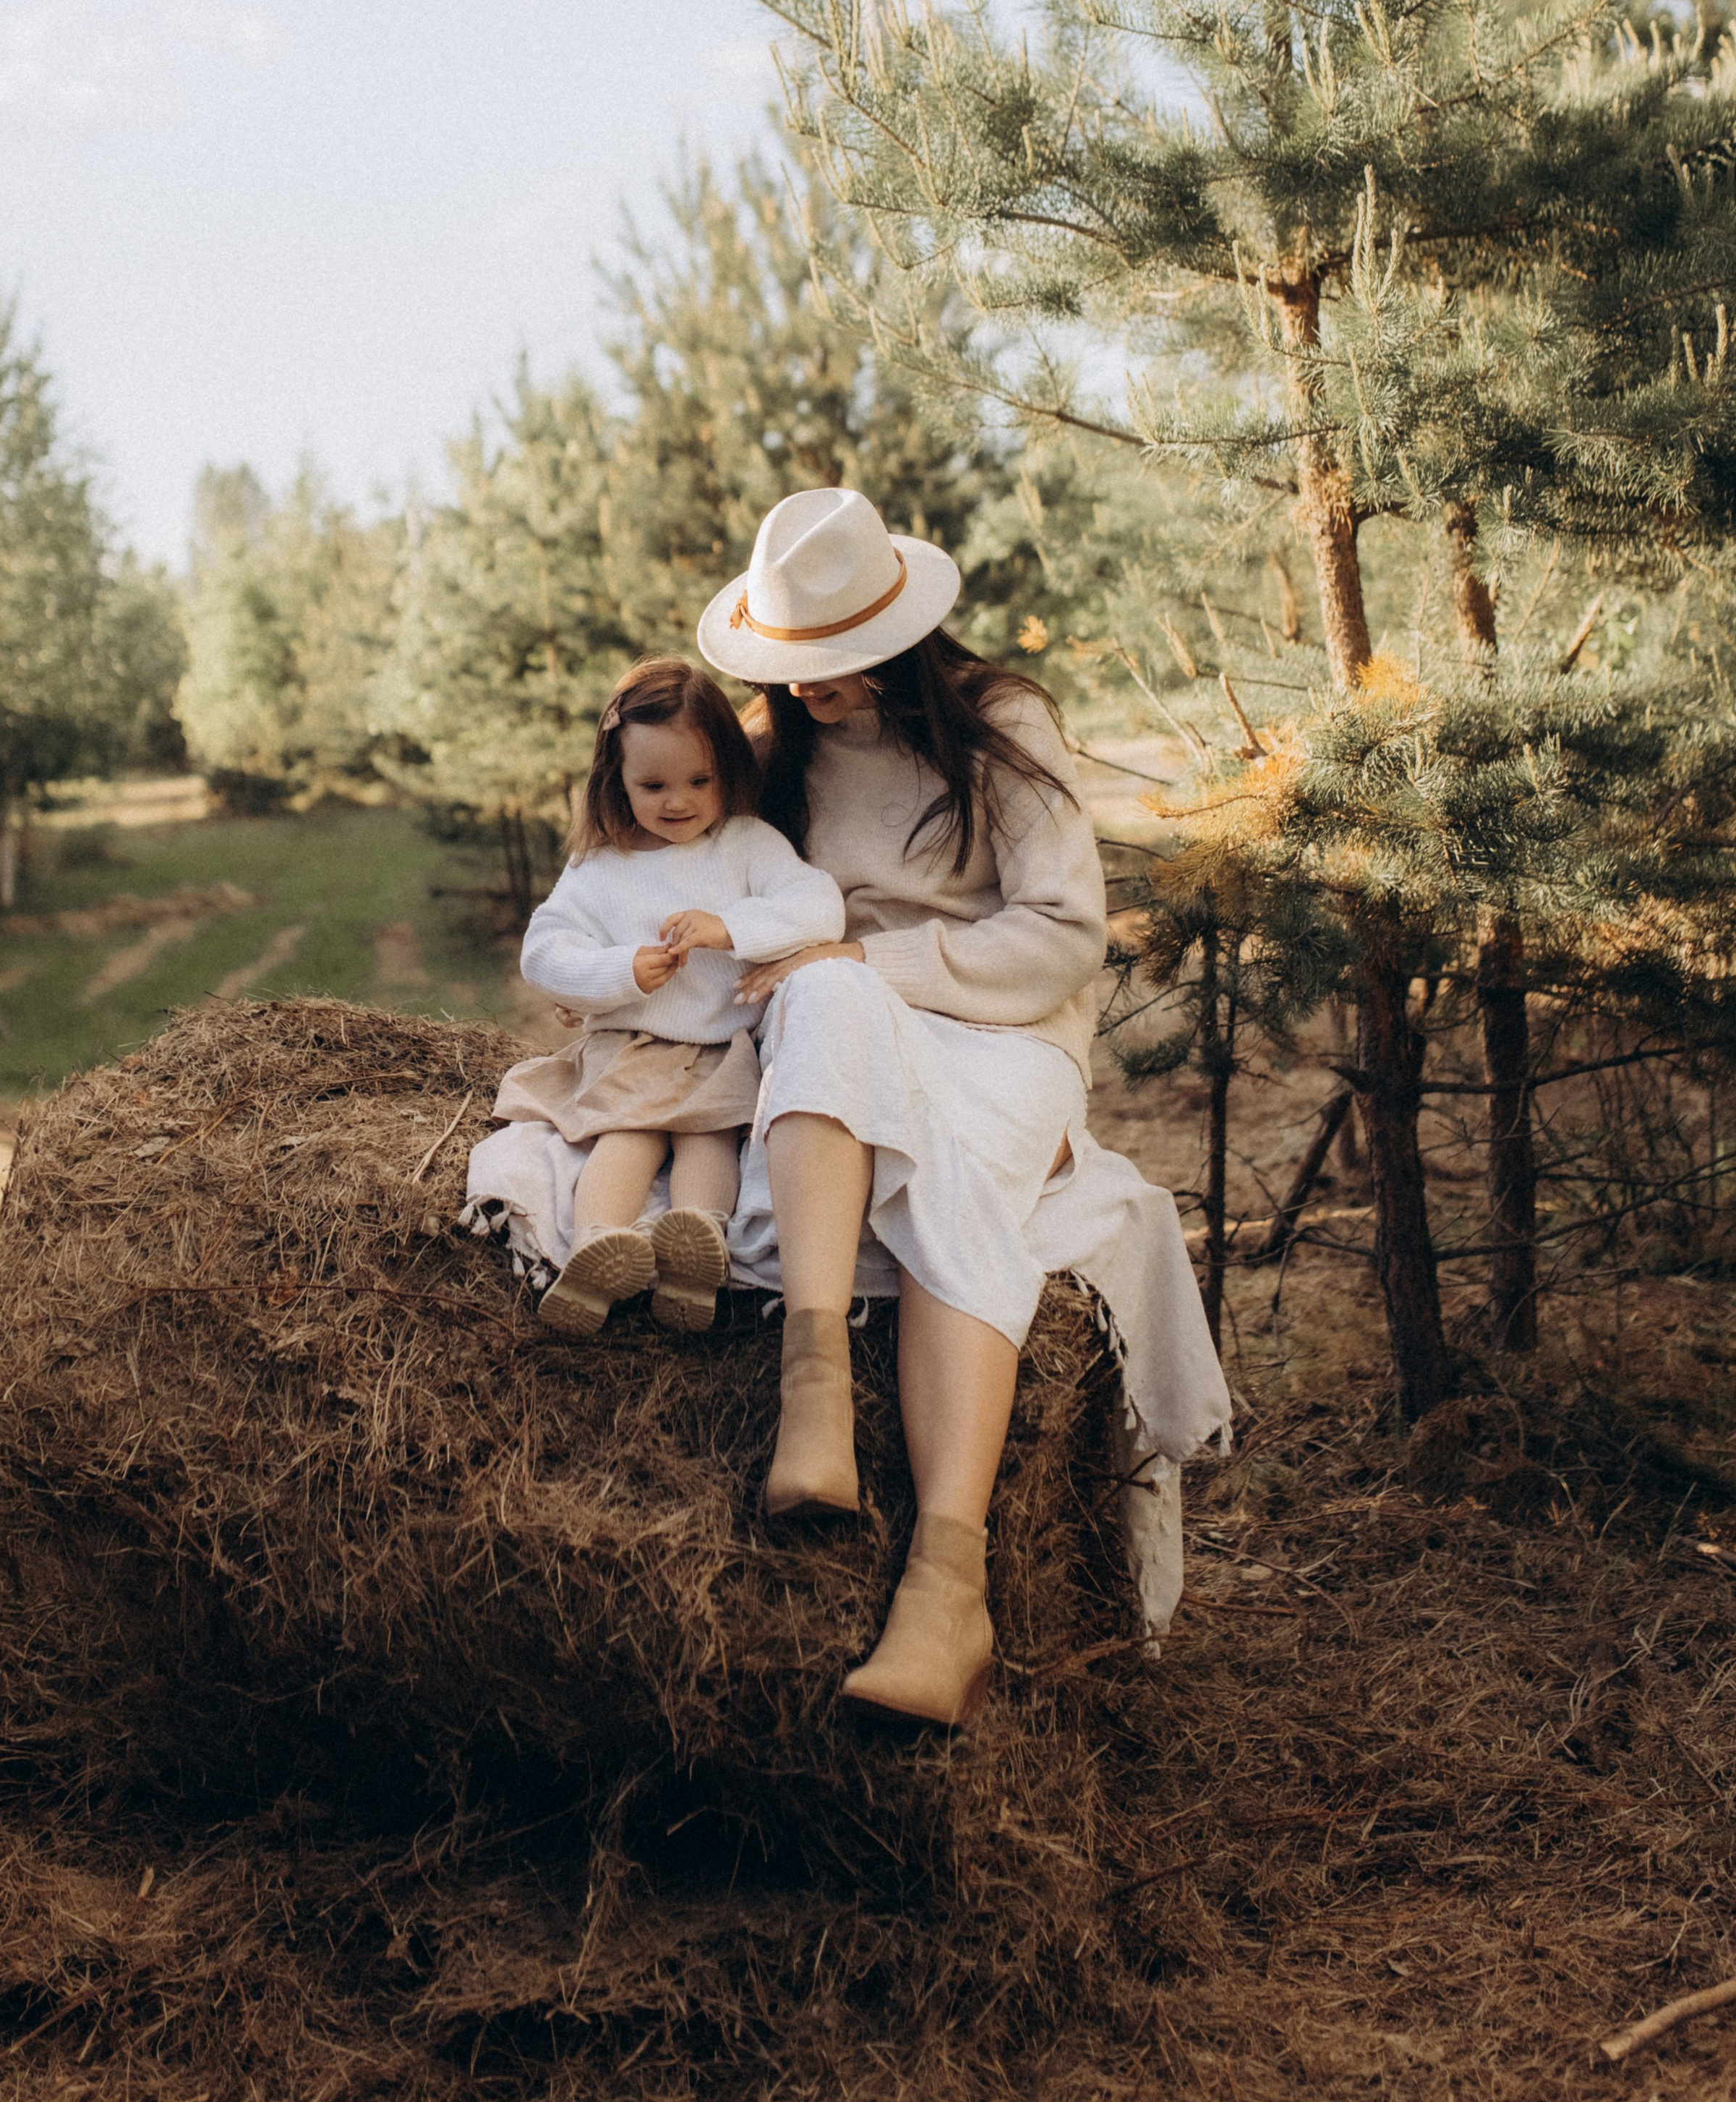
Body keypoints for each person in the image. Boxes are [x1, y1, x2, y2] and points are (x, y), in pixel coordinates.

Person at [693, 487, 1227, 1731]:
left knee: (945, 1173)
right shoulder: (785, 763)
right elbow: (754, 917)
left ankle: (949, 1583)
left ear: (896, 637)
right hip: (851, 1024)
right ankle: (814, 1388)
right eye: (794, 667)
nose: (811, 688)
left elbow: (1063, 938)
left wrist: (867, 967)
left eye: (833, 665)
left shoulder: (1001, 723)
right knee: (821, 1008)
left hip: (1004, 1036)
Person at [492, 657, 845, 1341]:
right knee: (627, 1135)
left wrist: (730, 927)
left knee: (708, 1139)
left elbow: (820, 907)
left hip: (718, 1048)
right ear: (616, 782)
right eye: (652, 785)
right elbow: (544, 951)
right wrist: (618, 970)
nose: (677, 801)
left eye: (699, 781)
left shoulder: (746, 845)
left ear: (729, 771)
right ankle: (598, 1247)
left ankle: (697, 1250)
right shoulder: (601, 866)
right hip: (631, 1045)